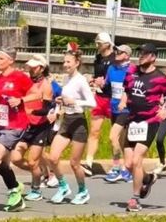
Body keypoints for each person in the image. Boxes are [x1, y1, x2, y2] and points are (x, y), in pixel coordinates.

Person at [119, 44, 166, 212]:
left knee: (136, 160)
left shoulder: (161, 78)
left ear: (153, 57)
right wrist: (123, 100)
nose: (141, 56)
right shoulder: (132, 73)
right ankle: (147, 178)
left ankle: (135, 199)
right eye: (140, 53)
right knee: (128, 164)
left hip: (149, 122)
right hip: (131, 121)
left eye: (145, 54)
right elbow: (126, 90)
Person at [45, 49, 96, 205]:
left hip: (79, 123)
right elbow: (65, 98)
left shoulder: (81, 80)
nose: (65, 64)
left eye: (68, 62)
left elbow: (92, 103)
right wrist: (60, 102)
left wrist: (75, 102)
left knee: (74, 163)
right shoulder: (66, 78)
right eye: (64, 61)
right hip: (66, 121)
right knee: (53, 158)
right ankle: (63, 186)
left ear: (77, 63)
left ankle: (82, 191)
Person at [0, 47, 32, 212]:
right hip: (1, 124)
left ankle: (15, 193)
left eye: (1, 59)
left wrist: (21, 100)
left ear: (11, 60)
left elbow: (38, 94)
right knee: (3, 163)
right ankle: (16, 187)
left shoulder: (20, 77)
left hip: (16, 125)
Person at [12, 54, 59, 202]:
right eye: (30, 67)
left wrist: (30, 111)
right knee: (16, 158)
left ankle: (36, 189)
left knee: (33, 161)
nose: (31, 70)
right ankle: (41, 173)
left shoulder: (46, 86)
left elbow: (46, 109)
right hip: (28, 125)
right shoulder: (28, 83)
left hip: (40, 127)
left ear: (41, 68)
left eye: (34, 67)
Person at [83, 33, 116, 176]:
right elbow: (98, 76)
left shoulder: (115, 59)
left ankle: (119, 164)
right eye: (96, 43)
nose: (97, 46)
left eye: (100, 43)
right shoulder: (97, 58)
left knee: (116, 135)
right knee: (94, 131)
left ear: (107, 44)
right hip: (100, 97)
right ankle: (89, 163)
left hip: (113, 98)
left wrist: (105, 82)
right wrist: (93, 80)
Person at [102, 44, 134, 183]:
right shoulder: (111, 68)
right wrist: (100, 83)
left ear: (127, 55)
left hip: (126, 109)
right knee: (121, 141)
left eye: (120, 52)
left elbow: (133, 89)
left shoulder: (132, 70)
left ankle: (116, 168)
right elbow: (107, 86)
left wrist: (125, 101)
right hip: (114, 108)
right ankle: (127, 171)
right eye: (116, 51)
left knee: (112, 136)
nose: (116, 53)